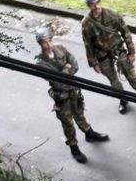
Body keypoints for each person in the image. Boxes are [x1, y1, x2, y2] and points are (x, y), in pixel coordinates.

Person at [34, 27, 109, 163]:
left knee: (79, 113)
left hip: (73, 90)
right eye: (45, 42)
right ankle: (74, 147)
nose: (49, 44)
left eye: (50, 40)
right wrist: (67, 68)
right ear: (40, 43)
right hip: (61, 95)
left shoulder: (60, 48)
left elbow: (75, 64)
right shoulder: (40, 62)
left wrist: (65, 70)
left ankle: (89, 133)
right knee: (67, 122)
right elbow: (57, 82)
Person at [80, 0, 136, 115]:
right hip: (102, 56)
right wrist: (94, 63)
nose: (96, 6)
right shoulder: (86, 24)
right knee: (114, 81)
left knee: (132, 77)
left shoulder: (112, 15)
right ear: (88, 5)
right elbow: (88, 45)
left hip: (119, 50)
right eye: (92, 4)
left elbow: (125, 32)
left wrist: (131, 52)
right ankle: (123, 99)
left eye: (97, 2)